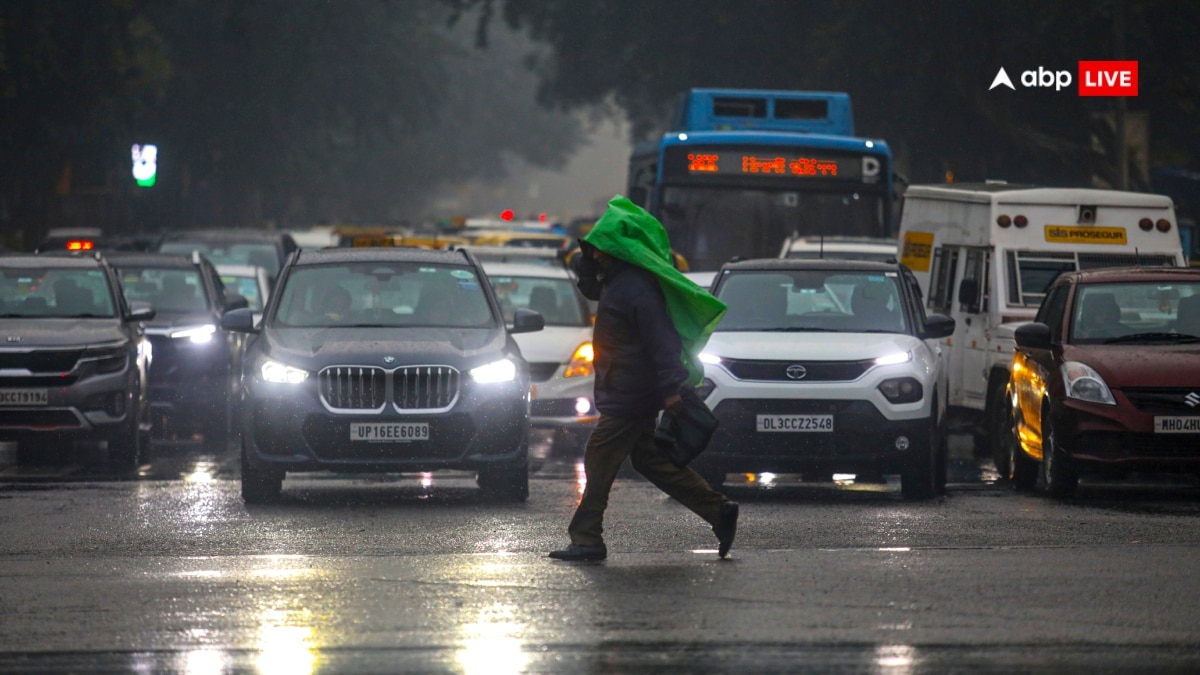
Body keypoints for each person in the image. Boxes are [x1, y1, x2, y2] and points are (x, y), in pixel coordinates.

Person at [549, 196, 736, 562]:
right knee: (651, 462)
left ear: (616, 250)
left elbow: (661, 339)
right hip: (627, 389)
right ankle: (719, 511)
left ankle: (587, 538)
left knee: (599, 457)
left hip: (631, 393)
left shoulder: (635, 287)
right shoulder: (619, 283)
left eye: (600, 249)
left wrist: (671, 388)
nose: (596, 254)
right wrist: (586, 261)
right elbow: (590, 288)